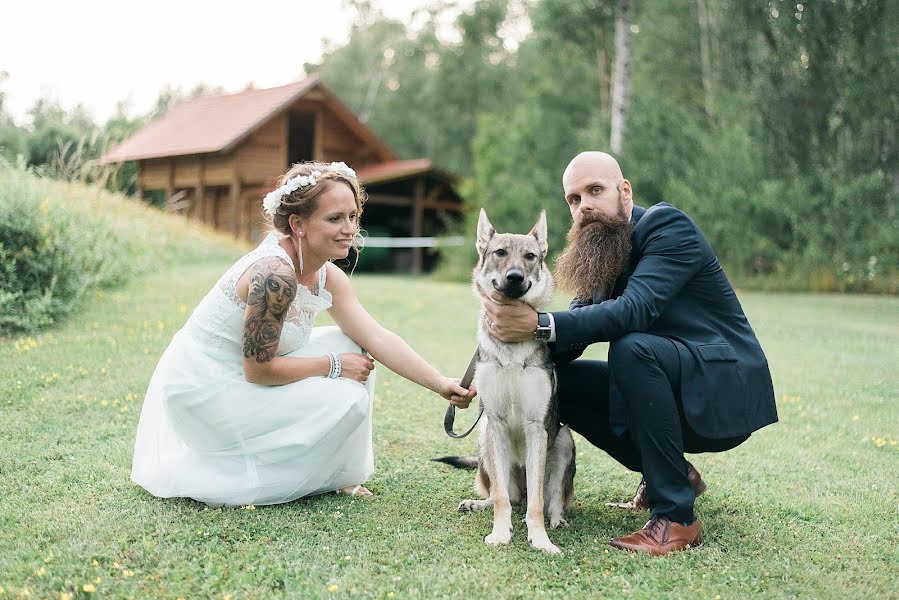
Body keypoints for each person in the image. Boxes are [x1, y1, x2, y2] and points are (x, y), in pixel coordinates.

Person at [482, 151, 777, 555]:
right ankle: (674, 475)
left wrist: (539, 325)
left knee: (632, 348)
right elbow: (569, 341)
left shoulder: (666, 226)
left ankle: (676, 519)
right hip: (668, 380)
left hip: (719, 389)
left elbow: (634, 310)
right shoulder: (603, 254)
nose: (584, 205)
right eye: (573, 199)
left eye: (595, 191)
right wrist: (502, 348)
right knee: (552, 382)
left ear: (625, 191)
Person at [132, 161, 475, 506]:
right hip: (206, 391)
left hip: (245, 374)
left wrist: (440, 384)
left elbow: (378, 337)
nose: (349, 229)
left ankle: (341, 475)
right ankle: (297, 475)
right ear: (298, 224)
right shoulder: (274, 274)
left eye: (353, 216)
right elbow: (259, 370)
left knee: (354, 343)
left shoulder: (326, 275)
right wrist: (334, 366)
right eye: (334, 219)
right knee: (347, 398)